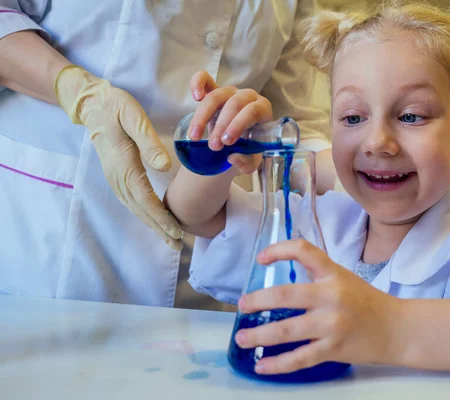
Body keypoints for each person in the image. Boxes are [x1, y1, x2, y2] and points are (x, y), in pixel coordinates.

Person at [164, 0, 450, 376]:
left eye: (411, 115)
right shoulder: (317, 223)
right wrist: (219, 145)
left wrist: (392, 327)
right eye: (353, 118)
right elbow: (196, 215)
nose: (377, 142)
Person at [0, 0, 338, 308]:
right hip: (56, 228)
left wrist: (354, 167)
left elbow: (296, 125)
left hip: (208, 253)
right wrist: (78, 93)